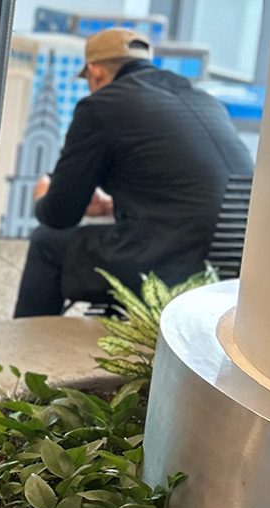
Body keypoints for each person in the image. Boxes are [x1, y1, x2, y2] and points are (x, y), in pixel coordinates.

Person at [14, 28, 253, 317]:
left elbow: (60, 214)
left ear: (96, 73)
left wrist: (44, 197)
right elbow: (194, 190)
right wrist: (110, 206)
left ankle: (27, 355)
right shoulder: (204, 99)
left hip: (175, 259)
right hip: (240, 260)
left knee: (47, 242)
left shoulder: (100, 106)